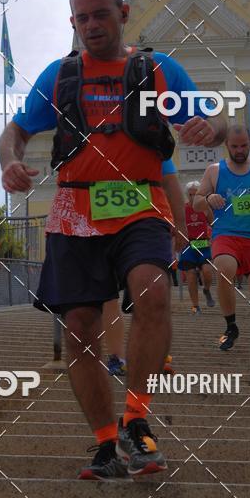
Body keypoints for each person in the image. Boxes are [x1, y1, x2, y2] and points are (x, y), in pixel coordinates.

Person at [0, 0, 227, 479]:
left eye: (101, 14)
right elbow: (14, 131)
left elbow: (222, 124)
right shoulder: (59, 76)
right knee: (79, 328)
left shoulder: (159, 71)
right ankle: (105, 444)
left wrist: (212, 128)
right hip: (74, 211)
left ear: (123, 14)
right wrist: (9, 161)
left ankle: (137, 420)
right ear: (73, 23)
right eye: (82, 18)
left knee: (152, 293)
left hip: (140, 204)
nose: (92, 25)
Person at [194, 124, 250, 359]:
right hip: (226, 234)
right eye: (234, 146)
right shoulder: (214, 171)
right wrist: (209, 198)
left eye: (244, 146)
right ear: (227, 146)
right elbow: (197, 202)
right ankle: (231, 325)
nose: (239, 150)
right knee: (224, 269)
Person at [103, 159, 188, 376]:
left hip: (145, 225)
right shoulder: (92, 135)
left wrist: (180, 224)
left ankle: (153, 357)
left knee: (151, 291)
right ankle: (116, 357)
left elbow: (170, 181)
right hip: (101, 222)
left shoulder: (147, 133)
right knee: (108, 295)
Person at [178, 180, 215, 315]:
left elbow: (214, 224)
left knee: (207, 271)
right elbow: (177, 227)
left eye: (195, 194)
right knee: (191, 276)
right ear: (187, 195)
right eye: (190, 194)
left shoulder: (205, 208)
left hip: (204, 244)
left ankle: (206, 289)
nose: (193, 197)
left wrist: (215, 239)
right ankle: (195, 306)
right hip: (188, 245)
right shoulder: (182, 209)